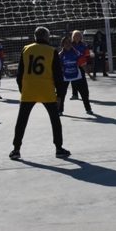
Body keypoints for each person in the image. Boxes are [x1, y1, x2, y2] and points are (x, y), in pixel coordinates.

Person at [10, 26, 69, 160]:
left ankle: (16, 149)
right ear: (47, 37)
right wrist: (59, 95)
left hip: (29, 90)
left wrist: (22, 89)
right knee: (55, 120)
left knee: (22, 120)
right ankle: (59, 148)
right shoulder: (51, 51)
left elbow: (19, 74)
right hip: (46, 90)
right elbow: (58, 75)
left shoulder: (26, 49)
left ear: (35, 37)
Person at [58, 34, 92, 115]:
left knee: (84, 93)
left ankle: (88, 109)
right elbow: (58, 67)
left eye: (69, 42)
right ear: (62, 44)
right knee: (61, 94)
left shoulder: (76, 53)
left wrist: (89, 75)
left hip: (76, 75)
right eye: (65, 43)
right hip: (65, 76)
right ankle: (60, 110)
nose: (68, 44)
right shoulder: (60, 55)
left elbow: (83, 64)